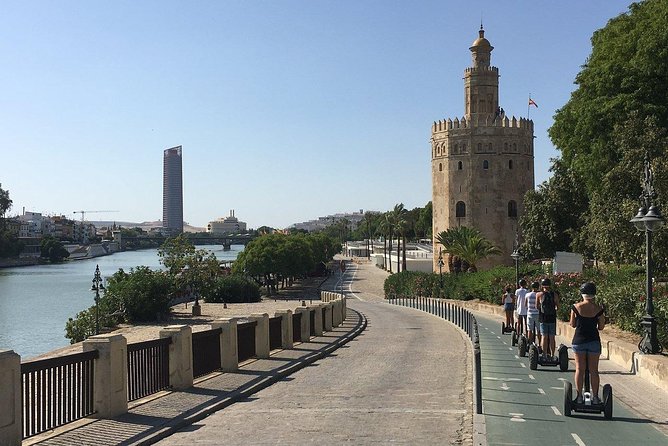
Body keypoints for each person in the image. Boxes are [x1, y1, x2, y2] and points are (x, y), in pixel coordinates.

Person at [570, 282, 606, 404]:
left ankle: (579, 397)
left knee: (580, 369)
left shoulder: (576, 307)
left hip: (579, 341)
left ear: (582, 294)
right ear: (594, 294)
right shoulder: (599, 309)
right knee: (594, 370)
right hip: (594, 341)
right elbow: (601, 327)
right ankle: (595, 398)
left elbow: (572, 324)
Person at [536, 278, 559, 359]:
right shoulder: (555, 294)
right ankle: (552, 354)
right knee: (552, 337)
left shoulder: (539, 294)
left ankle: (544, 354)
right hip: (552, 318)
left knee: (544, 336)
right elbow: (558, 306)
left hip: (543, 318)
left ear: (542, 286)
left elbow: (537, 306)